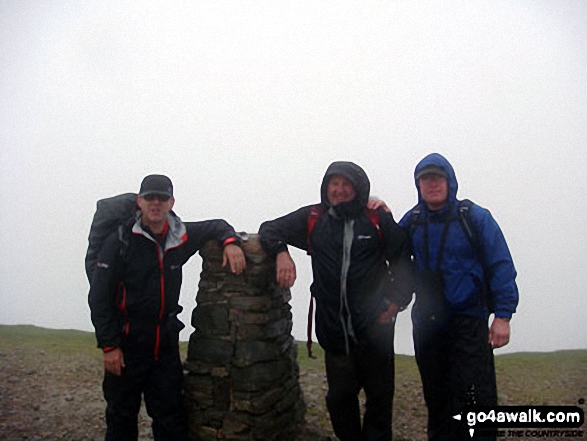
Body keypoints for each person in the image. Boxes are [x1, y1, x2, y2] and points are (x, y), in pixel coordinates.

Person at [258, 161, 412, 441]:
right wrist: (281, 252)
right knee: (340, 398)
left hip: (375, 327)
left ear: (358, 188)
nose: (339, 190)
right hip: (334, 329)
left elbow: (402, 259)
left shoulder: (376, 218)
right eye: (334, 184)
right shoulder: (314, 218)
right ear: (326, 187)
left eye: (346, 184)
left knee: (379, 398)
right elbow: (269, 229)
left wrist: (394, 303)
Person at [88, 174, 246, 441]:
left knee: (170, 417)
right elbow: (99, 298)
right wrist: (109, 346)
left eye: (162, 198)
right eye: (150, 197)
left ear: (172, 202)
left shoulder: (180, 237)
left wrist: (230, 243)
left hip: (164, 344)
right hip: (127, 344)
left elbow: (216, 225)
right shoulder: (119, 241)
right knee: (121, 416)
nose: (156, 204)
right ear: (139, 201)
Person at [398, 153, 519, 440]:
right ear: (418, 186)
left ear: (449, 181)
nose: (432, 185)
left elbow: (500, 264)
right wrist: (375, 207)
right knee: (436, 396)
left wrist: (503, 316)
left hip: (468, 319)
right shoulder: (412, 220)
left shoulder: (474, 217)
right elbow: (388, 242)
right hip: (427, 323)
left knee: (476, 396)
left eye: (437, 178)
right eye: (425, 180)